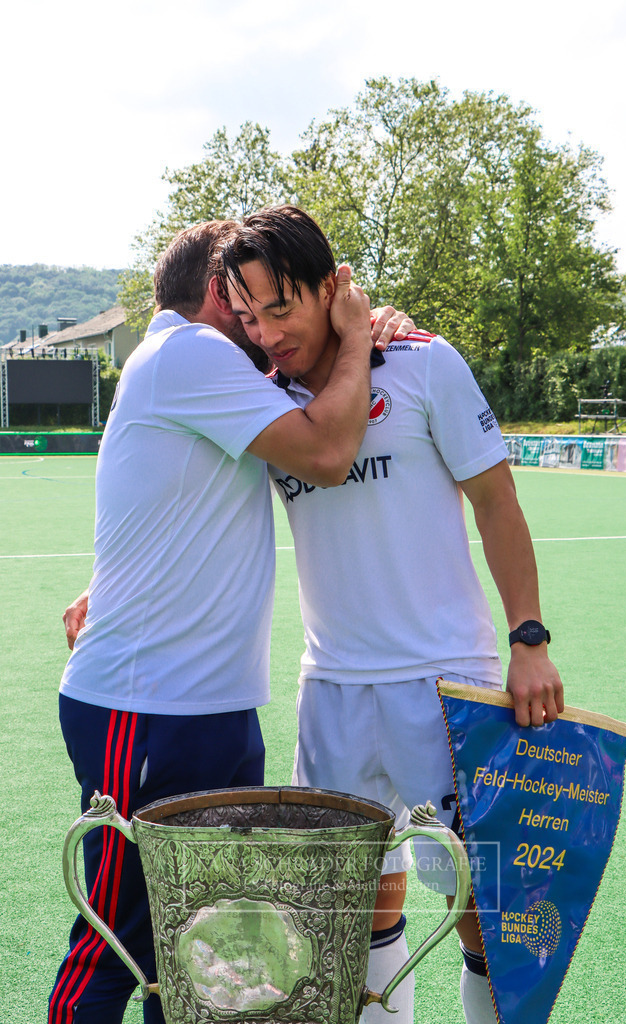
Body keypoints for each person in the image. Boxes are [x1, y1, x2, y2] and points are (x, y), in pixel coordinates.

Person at [50, 218, 411, 1024]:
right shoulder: (192, 352)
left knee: (189, 944)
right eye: (248, 304)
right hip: (148, 708)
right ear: (219, 292)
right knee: (118, 939)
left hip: (196, 708)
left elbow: (168, 507)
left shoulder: (186, 362)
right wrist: (354, 336)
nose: (261, 326)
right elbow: (325, 453)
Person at [215, 205, 564, 1024]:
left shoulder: (423, 362)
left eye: (281, 307)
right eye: (249, 314)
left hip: (445, 679)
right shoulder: (264, 397)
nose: (267, 334)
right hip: (330, 686)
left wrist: (529, 639)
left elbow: (498, 506)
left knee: (479, 897)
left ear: (332, 288)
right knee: (358, 903)